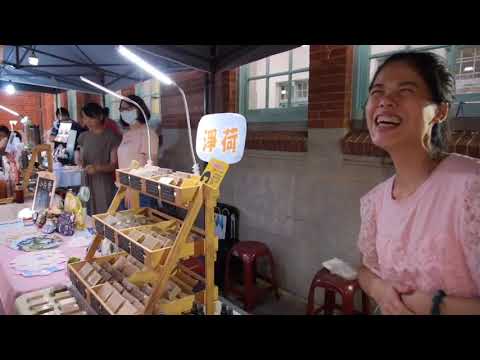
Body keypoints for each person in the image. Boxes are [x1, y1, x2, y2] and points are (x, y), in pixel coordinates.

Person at [357, 51, 480, 315]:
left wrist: (436, 305)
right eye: (377, 91)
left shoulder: (471, 187)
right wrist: (380, 289)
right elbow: (366, 270)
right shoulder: (375, 201)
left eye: (405, 91)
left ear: (440, 112)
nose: (385, 101)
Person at [76, 103, 122, 215]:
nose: (86, 121)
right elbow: (81, 158)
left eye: (90, 117)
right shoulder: (83, 136)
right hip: (86, 181)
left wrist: (97, 168)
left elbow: (113, 165)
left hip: (103, 183)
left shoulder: (111, 137)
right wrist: (79, 161)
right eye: (84, 117)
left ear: (100, 116)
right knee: (86, 212)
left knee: (104, 213)